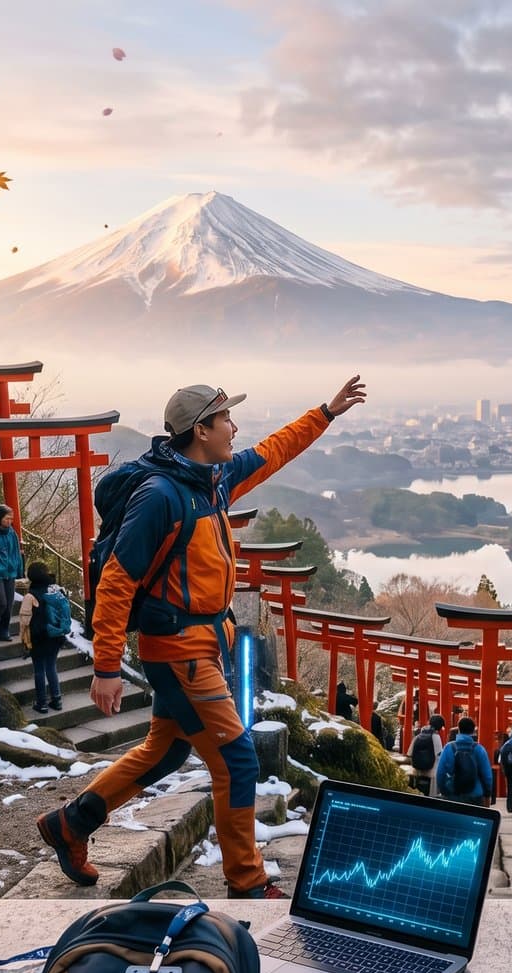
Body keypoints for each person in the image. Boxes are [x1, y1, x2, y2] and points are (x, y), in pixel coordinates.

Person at [38, 376, 369, 898]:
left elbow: (274, 451)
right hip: (179, 650)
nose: (234, 428)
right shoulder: (161, 495)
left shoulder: (212, 479)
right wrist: (104, 666)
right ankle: (247, 882)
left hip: (203, 646)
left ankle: (70, 824)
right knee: (237, 758)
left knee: (166, 752)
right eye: (225, 420)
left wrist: (325, 413)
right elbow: (118, 580)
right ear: (201, 430)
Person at [18, 562, 70, 714]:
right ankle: (57, 699)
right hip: (55, 637)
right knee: (51, 667)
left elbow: (24, 622)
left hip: (39, 637)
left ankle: (42, 703)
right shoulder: (55, 589)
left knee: (39, 670)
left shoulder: (30, 596)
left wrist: (24, 641)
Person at [435, 715, 494, 806]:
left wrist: (444, 790)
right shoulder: (479, 749)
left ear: (458, 729)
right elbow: (487, 776)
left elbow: (440, 772)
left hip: (453, 794)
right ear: (473, 731)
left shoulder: (449, 747)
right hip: (475, 795)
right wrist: (487, 794)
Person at [0, 504, 22, 643]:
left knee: (9, 604)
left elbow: (16, 553)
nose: (9, 521)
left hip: (10, 571)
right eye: (7, 518)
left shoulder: (11, 533)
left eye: (11, 519)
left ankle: (4, 630)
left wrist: (19, 569)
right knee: (0, 602)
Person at [409, 713, 443, 796]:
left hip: (417, 772)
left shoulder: (418, 736)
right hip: (432, 773)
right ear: (440, 726)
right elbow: (439, 755)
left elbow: (409, 753)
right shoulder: (436, 737)